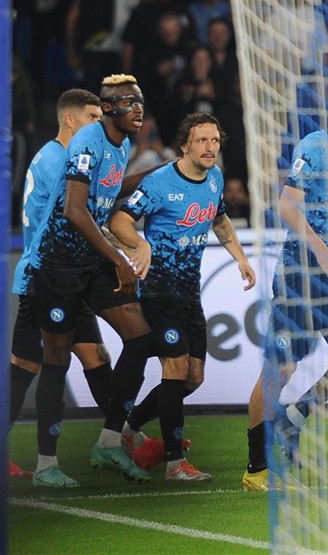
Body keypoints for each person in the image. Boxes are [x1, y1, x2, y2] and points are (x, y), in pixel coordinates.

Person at [242, 87, 328, 492]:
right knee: (279, 371)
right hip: (302, 275)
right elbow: (287, 207)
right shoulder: (314, 147)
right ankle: (257, 468)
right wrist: (321, 252)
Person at [109, 112, 255, 481]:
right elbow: (119, 221)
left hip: (190, 293)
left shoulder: (215, 178)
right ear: (185, 145)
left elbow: (219, 219)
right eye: (202, 140)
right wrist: (140, 244)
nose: (210, 147)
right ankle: (175, 463)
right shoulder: (160, 182)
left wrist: (240, 258)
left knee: (193, 378)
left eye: (215, 140)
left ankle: (129, 428)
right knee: (175, 369)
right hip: (158, 290)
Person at [27, 74, 157, 483]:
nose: (138, 109)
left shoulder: (122, 146)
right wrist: (119, 259)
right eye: (130, 102)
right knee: (56, 361)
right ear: (110, 108)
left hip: (91, 260)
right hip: (59, 264)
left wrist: (160, 172)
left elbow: (108, 194)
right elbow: (74, 210)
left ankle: (109, 440)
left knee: (140, 338)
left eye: (140, 101)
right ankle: (46, 464)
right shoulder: (87, 140)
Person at [7, 89, 112, 487]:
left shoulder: (63, 158)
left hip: (69, 275)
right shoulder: (58, 160)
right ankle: (28, 460)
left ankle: (123, 437)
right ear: (70, 119)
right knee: (31, 365)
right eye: (91, 117)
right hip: (47, 275)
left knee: (95, 357)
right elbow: (77, 214)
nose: (98, 125)